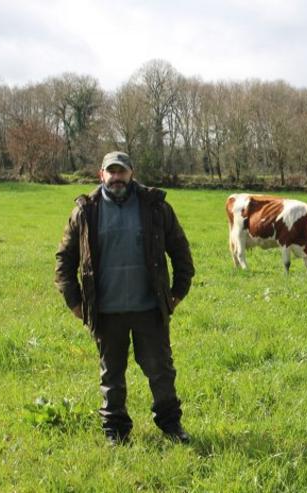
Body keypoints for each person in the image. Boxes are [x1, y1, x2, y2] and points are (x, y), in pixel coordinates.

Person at [55, 151, 195, 445]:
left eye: (122, 171)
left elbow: (180, 251)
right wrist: (75, 303)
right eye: (111, 172)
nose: (117, 177)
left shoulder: (155, 206)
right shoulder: (86, 210)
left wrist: (177, 294)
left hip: (149, 309)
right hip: (106, 312)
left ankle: (171, 425)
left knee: (161, 371)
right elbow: (64, 261)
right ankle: (115, 431)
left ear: (132, 173)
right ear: (101, 175)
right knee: (112, 376)